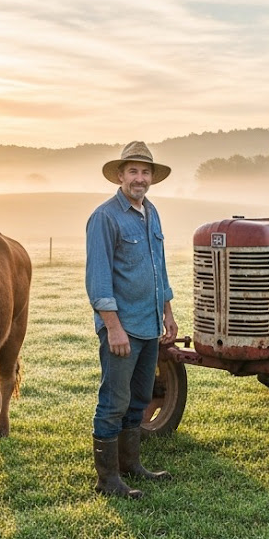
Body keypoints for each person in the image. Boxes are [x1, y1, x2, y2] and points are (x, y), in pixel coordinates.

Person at [85, 140, 178, 499]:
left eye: (145, 172)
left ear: (152, 177)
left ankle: (131, 465)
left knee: (139, 399)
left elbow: (160, 269)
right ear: (120, 175)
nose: (139, 178)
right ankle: (107, 480)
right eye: (133, 171)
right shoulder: (105, 217)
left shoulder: (151, 212)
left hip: (151, 324)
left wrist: (168, 313)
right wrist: (113, 327)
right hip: (122, 330)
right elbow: (98, 280)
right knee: (114, 402)